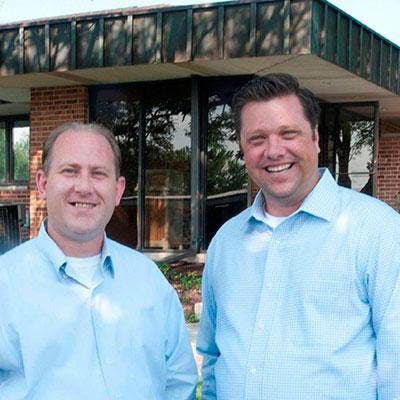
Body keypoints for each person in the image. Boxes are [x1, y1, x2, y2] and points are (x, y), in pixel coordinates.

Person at [197, 73, 400, 399]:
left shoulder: (378, 232)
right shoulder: (227, 241)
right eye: (257, 139)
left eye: (288, 133)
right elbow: (213, 356)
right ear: (243, 149)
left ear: (315, 137)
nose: (273, 150)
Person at [0, 122, 197, 399]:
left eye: (98, 173)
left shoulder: (149, 280)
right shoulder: (5, 284)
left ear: (118, 190)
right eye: (70, 171)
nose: (84, 187)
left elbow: (179, 381)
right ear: (42, 184)